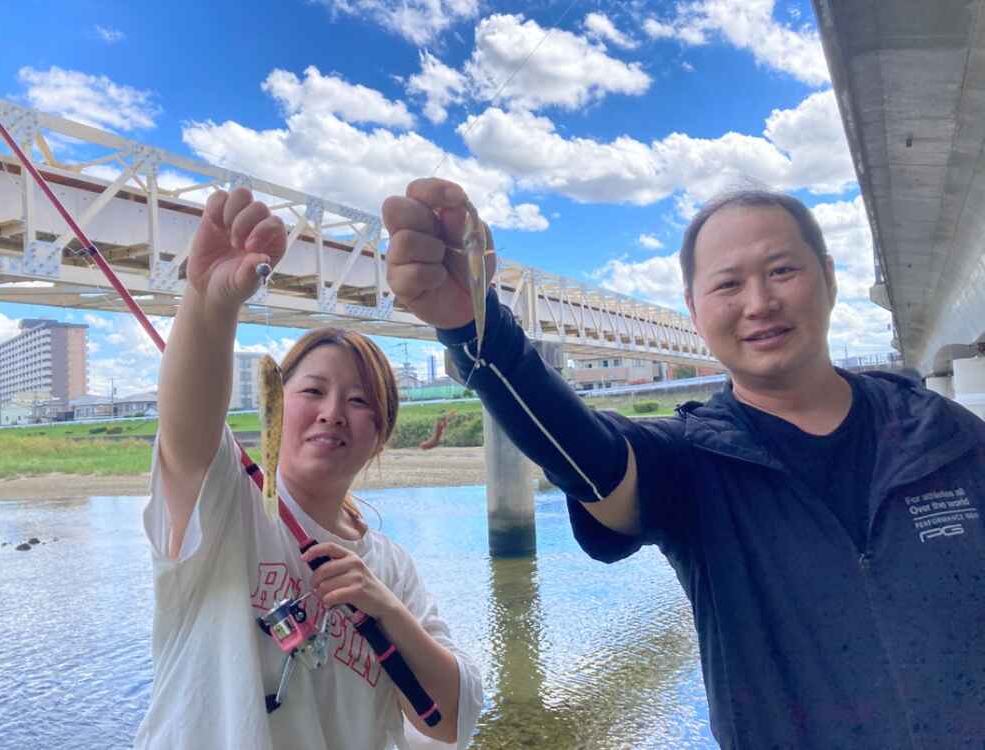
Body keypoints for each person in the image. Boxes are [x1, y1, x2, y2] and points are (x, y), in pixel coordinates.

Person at [382, 178, 985, 750]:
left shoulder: (945, 434)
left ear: (828, 278)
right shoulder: (690, 462)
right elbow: (588, 455)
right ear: (694, 311)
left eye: (782, 270)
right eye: (728, 285)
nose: (760, 303)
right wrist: (476, 329)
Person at [135, 187, 482, 750]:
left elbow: (451, 721)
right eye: (313, 391)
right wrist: (209, 302)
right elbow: (185, 436)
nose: (332, 413)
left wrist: (385, 608)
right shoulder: (228, 502)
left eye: (360, 401)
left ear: (379, 436)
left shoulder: (390, 569)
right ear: (274, 405)